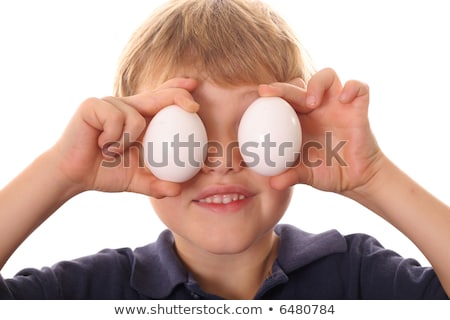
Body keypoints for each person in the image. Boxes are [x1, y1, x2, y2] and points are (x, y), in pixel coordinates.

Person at [0, 0, 449, 299]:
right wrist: (61, 172)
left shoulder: (356, 277)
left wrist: (372, 177)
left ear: (298, 136)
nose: (223, 159)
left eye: (255, 128)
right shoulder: (95, 292)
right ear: (136, 146)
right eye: (186, 134)